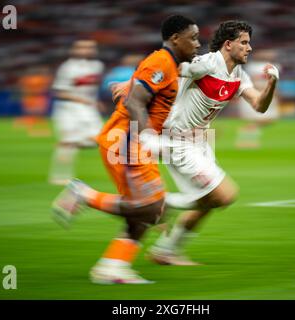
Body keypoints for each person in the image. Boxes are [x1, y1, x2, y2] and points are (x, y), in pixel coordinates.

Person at [52, 15, 200, 284]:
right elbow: (135, 103)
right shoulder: (161, 62)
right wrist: (145, 136)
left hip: (133, 143)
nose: (198, 44)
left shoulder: (169, 64)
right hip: (127, 143)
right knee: (151, 208)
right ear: (175, 39)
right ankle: (83, 194)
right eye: (193, 38)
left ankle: (112, 267)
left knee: (151, 211)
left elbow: (145, 97)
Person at [143, 20, 280, 265]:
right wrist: (136, 87)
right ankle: (159, 204)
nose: (250, 48)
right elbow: (169, 68)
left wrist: (271, 84)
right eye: (244, 43)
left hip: (199, 144)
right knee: (225, 195)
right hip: (177, 142)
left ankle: (166, 251)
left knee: (208, 203)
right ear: (229, 44)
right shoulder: (206, 64)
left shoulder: (238, 75)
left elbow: (259, 105)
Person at [49, 40, 105, 185]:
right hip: (69, 108)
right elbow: (59, 92)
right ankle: (59, 176)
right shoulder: (67, 68)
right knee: (68, 143)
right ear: (74, 49)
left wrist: (93, 101)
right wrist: (82, 100)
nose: (87, 50)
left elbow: (91, 89)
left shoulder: (97, 66)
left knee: (100, 140)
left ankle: (70, 143)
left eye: (90, 47)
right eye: (82, 47)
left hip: (88, 109)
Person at [234, 49, 281, 149]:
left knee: (269, 120)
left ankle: (247, 135)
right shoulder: (254, 66)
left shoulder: (275, 66)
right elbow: (253, 81)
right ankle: (246, 140)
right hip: (256, 94)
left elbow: (275, 83)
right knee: (260, 119)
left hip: (269, 95)